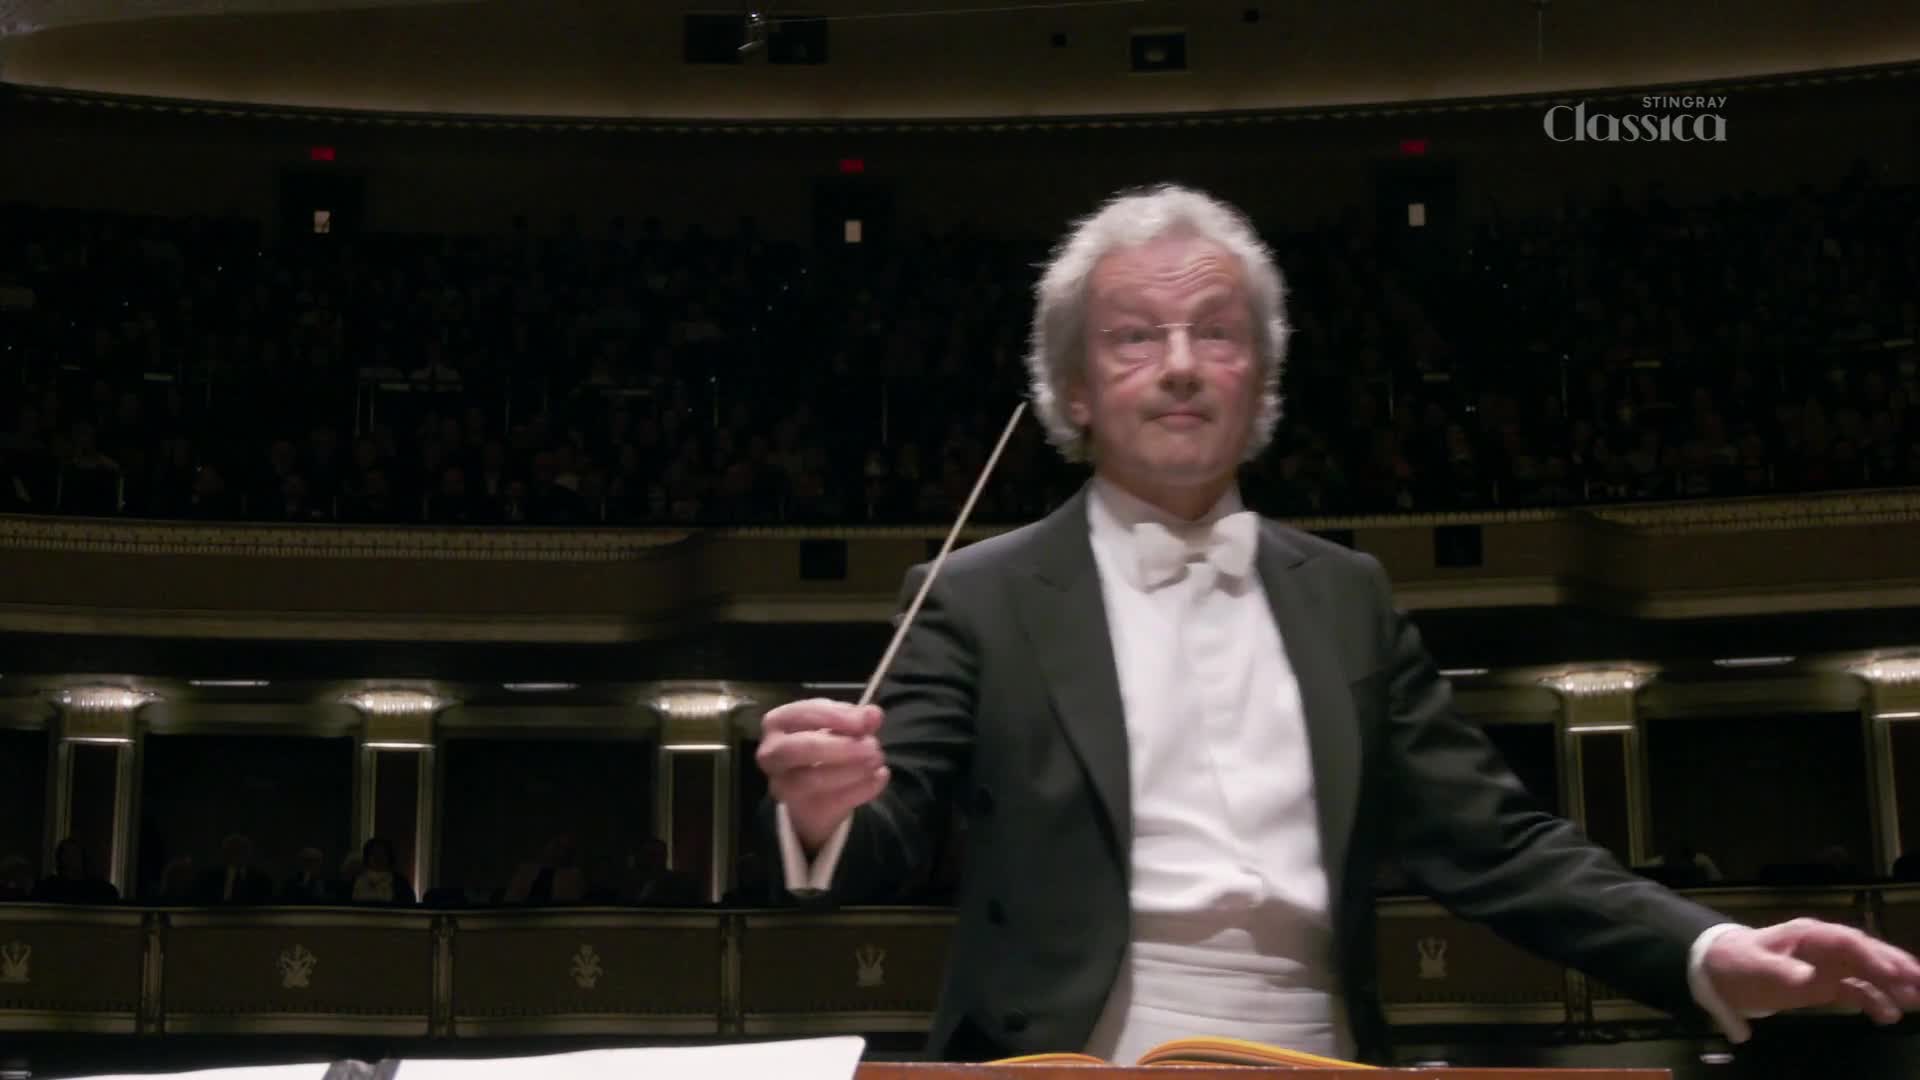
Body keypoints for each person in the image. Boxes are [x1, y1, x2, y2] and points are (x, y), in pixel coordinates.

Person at [755, 183, 1920, 1065]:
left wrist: (1713, 951)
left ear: (1261, 384)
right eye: (1132, 338)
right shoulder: (974, 592)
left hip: (1317, 1055)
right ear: (1070, 388)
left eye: (1216, 334)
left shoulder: (1347, 596)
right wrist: (822, 811)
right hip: (1063, 1061)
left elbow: (1497, 842)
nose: (1178, 367)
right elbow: (884, 832)